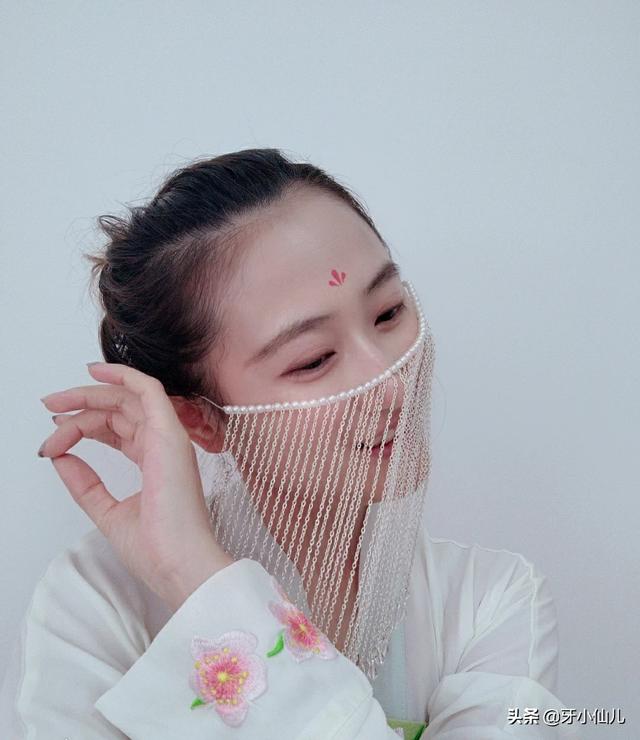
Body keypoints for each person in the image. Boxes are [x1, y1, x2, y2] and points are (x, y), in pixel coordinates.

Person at [0, 149, 578, 739]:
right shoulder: (94, 607)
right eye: (313, 359)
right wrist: (191, 577)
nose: (392, 386)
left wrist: (201, 581)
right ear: (200, 420)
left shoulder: (490, 603)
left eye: (388, 313)